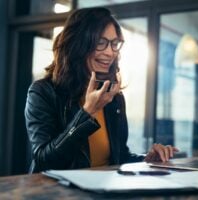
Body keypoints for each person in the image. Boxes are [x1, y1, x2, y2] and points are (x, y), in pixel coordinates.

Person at [24, 7, 178, 173]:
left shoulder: (114, 98)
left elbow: (119, 156)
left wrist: (147, 159)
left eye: (114, 44)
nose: (110, 52)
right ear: (78, 45)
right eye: (100, 43)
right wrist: (87, 112)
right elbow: (44, 160)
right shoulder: (42, 92)